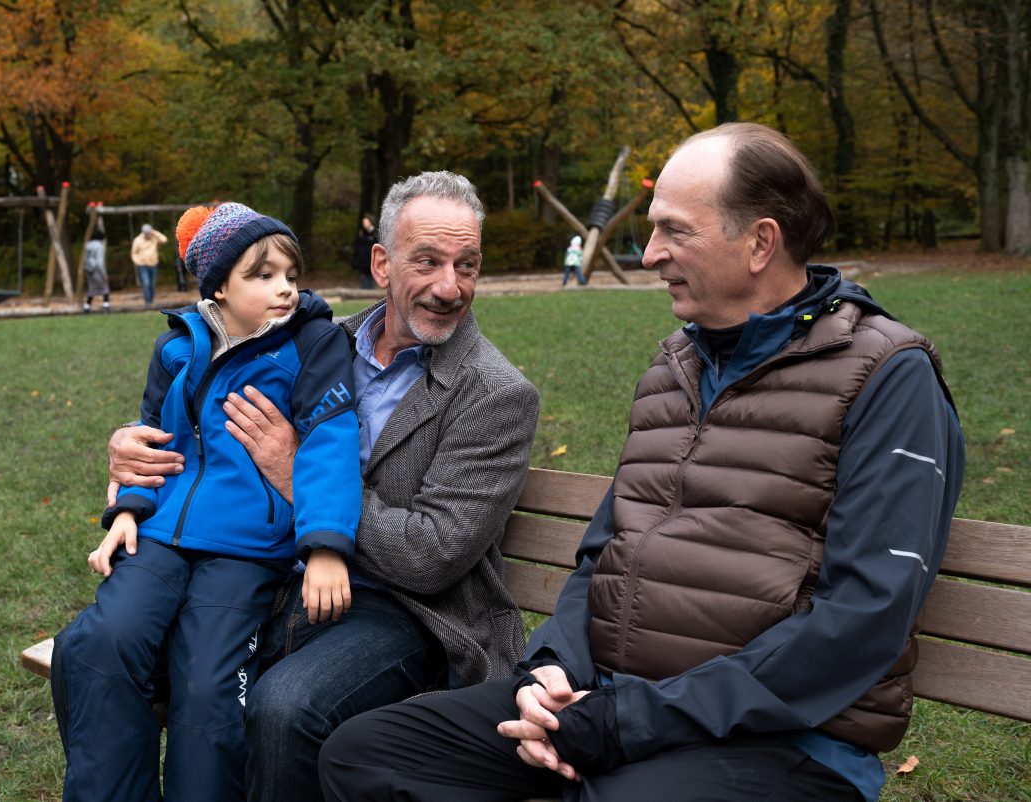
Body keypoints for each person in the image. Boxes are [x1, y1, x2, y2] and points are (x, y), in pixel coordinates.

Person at [318, 122, 966, 802]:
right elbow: (605, 554)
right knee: (368, 756)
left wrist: (623, 723)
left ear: (760, 242)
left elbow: (862, 620)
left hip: (782, 742)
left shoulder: (888, 376)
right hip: (611, 704)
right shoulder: (674, 368)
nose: (651, 252)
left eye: (675, 231)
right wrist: (553, 668)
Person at [106, 172, 541, 802]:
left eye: (466, 265)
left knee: (284, 707)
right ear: (381, 264)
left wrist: (295, 475)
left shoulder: (495, 394)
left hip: (412, 614)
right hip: (278, 577)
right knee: (100, 651)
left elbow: (431, 556)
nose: (450, 287)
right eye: (428, 261)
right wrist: (127, 446)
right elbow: (192, 411)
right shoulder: (312, 341)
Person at [51, 202, 364, 802]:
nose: (285, 290)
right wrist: (126, 512)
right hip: (161, 537)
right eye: (263, 275)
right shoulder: (177, 349)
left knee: (206, 683)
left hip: (245, 550)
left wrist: (325, 545)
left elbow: (329, 443)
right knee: (98, 643)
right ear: (219, 284)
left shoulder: (312, 345)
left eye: (291, 275)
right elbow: (150, 443)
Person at [131, 222, 168, 306]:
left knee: (152, 284)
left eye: (149, 233)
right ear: (144, 233)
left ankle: (150, 301)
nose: (148, 235)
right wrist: (137, 262)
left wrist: (155, 232)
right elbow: (134, 253)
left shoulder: (154, 237)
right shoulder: (138, 240)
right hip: (143, 265)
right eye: (146, 234)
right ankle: (147, 302)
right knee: (146, 283)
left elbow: (164, 240)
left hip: (153, 264)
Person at [83, 224, 110, 313]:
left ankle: (86, 307)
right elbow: (100, 262)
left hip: (88, 269)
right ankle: (106, 307)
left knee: (92, 288)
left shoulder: (88, 245)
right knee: (105, 288)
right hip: (96, 269)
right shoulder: (99, 247)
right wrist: (104, 274)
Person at [352, 213, 377, 289]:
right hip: (362, 262)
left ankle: (371, 293)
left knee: (371, 278)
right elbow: (356, 245)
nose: (364, 224)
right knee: (363, 278)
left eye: (366, 222)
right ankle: (363, 292)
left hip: (372, 260)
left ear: (370, 222)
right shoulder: (361, 233)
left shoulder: (375, 233)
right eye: (363, 223)